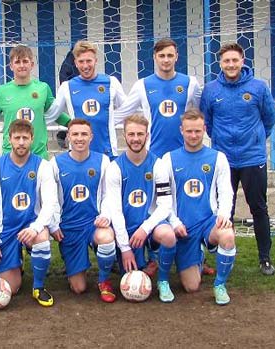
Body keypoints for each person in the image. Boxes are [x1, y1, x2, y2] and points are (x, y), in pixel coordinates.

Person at [116, 38, 204, 277]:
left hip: (185, 157)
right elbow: (123, 114)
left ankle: (195, 255)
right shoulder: (143, 85)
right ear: (154, 58)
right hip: (154, 157)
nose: (166, 60)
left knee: (187, 205)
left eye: (170, 55)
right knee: (154, 206)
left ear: (177, 57)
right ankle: (154, 256)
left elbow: (199, 113)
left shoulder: (190, 83)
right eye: (161, 56)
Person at [200, 42, 275, 276]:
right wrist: (221, 141)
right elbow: (207, 122)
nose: (230, 65)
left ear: (242, 61)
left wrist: (254, 139)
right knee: (224, 211)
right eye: (226, 61)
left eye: (234, 60)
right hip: (223, 161)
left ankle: (264, 258)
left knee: (259, 208)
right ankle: (224, 257)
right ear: (220, 64)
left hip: (253, 158)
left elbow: (269, 118)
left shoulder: (258, 87)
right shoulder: (211, 90)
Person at [0, 119, 59, 307]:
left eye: (25, 138)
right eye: (17, 138)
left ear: (32, 139)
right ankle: (18, 262)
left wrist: (36, 227)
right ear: (9, 139)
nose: (21, 142)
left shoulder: (42, 166)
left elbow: (50, 203)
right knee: (11, 288)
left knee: (42, 237)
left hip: (30, 227)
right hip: (6, 231)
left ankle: (38, 287)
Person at [162, 109, 235, 305]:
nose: (193, 135)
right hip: (182, 227)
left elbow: (226, 191)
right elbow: (163, 198)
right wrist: (174, 222)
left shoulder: (218, 157)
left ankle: (220, 285)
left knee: (227, 235)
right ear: (181, 131)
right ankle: (197, 255)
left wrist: (224, 214)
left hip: (207, 222)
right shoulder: (168, 159)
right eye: (189, 131)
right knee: (191, 287)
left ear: (204, 129)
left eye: (197, 131)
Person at [105, 114, 176, 302]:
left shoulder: (158, 165)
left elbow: (165, 205)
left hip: (149, 224)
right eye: (131, 134)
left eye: (139, 134)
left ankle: (163, 281)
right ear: (124, 136)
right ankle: (143, 259)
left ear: (147, 135)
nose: (135, 139)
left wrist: (145, 229)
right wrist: (125, 247)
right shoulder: (114, 168)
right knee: (131, 272)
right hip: (126, 227)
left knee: (168, 235)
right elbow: (115, 210)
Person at [50, 119, 117, 303]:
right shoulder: (55, 164)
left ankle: (104, 280)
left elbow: (108, 195)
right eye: (75, 134)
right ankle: (76, 266)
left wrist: (105, 215)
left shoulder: (103, 161)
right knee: (79, 288)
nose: (80, 138)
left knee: (106, 237)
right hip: (69, 227)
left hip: (93, 224)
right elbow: (50, 199)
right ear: (69, 137)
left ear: (91, 137)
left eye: (84, 134)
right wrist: (54, 225)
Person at [0, 44, 71, 160]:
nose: (22, 65)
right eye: (17, 62)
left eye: (25, 61)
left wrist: (73, 124)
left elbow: (55, 113)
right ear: (11, 66)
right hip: (10, 156)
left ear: (32, 65)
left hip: (38, 155)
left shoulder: (43, 88)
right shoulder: (1, 92)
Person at [49, 40, 126, 160]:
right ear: (75, 63)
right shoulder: (67, 87)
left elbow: (127, 109)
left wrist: (111, 119)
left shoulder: (111, 82)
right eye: (81, 61)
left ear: (96, 60)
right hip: (76, 156)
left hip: (107, 153)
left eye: (89, 61)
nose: (85, 66)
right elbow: (52, 114)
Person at [56, 45, 80, 149]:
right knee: (71, 117)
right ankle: (61, 135)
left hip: (74, 92)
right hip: (72, 93)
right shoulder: (70, 61)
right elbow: (64, 77)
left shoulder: (69, 60)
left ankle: (62, 135)